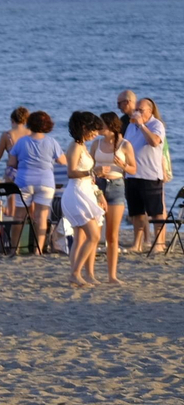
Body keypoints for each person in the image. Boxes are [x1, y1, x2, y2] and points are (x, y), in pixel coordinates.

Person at [7, 111, 66, 254]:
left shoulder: (22, 141)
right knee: (41, 217)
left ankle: (14, 248)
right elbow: (62, 161)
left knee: (19, 216)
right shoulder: (51, 142)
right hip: (45, 182)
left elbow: (11, 163)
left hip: (24, 181)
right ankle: (38, 250)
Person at [61, 112, 105, 287]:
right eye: (94, 130)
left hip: (85, 192)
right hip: (76, 194)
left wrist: (98, 192)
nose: (96, 133)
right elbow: (71, 172)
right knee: (94, 236)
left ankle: (80, 275)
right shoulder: (75, 146)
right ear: (84, 128)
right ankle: (75, 273)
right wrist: (92, 172)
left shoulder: (82, 146)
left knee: (80, 237)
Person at [93, 112, 135, 283]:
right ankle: (90, 274)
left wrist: (123, 165)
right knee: (94, 234)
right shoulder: (96, 143)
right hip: (98, 187)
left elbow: (133, 169)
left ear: (111, 125)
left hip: (116, 186)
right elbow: (90, 166)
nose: (98, 127)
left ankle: (112, 276)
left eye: (101, 124)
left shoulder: (125, 144)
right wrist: (96, 171)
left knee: (112, 235)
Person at [124, 97, 168, 254]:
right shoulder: (131, 125)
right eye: (136, 110)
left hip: (150, 175)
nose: (137, 113)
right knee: (136, 212)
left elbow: (154, 142)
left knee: (156, 212)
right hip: (132, 174)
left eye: (140, 110)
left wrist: (142, 125)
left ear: (150, 111)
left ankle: (159, 243)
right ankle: (137, 243)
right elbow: (126, 145)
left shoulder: (156, 125)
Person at [0, 106, 30, 181]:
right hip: (28, 172)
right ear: (25, 120)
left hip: (12, 173)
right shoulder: (31, 134)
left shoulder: (7, 135)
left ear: (12, 120)